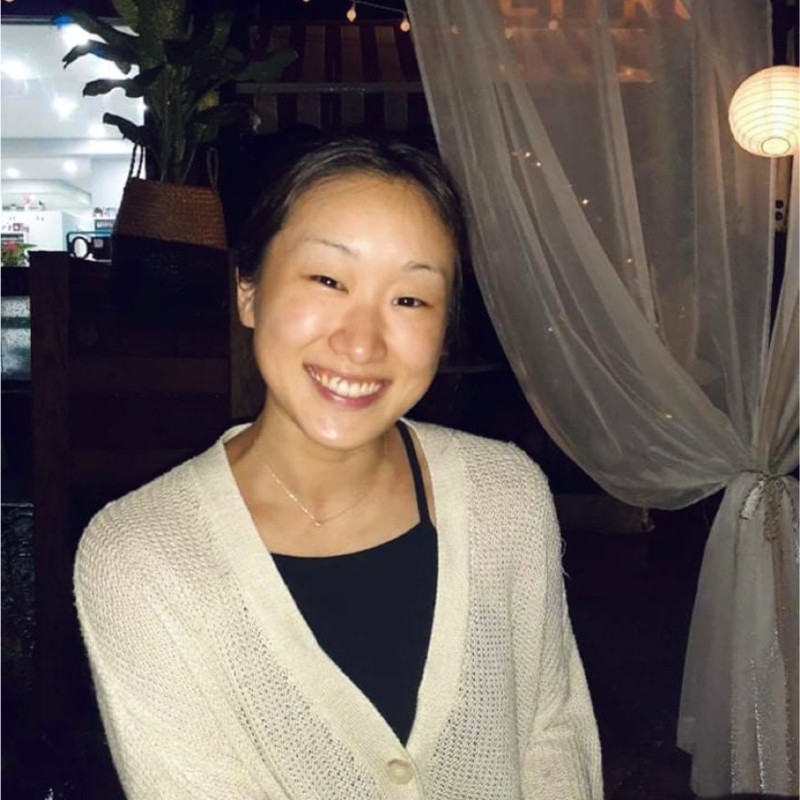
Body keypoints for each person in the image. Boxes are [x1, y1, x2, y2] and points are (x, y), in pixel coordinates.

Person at [74, 136, 603, 799]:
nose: (360, 343)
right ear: (248, 291)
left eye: (410, 300)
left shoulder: (507, 496)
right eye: (327, 281)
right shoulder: (142, 557)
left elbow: (552, 735)